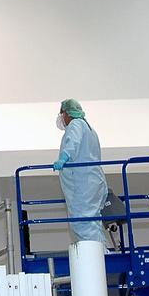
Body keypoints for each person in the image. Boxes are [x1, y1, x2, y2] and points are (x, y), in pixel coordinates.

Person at [53, 99, 108, 243]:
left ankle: (99, 257)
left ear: (66, 113)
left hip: (83, 184)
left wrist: (63, 158)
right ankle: (104, 255)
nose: (61, 118)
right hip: (92, 181)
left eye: (62, 113)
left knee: (82, 223)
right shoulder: (89, 129)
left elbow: (73, 142)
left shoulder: (76, 124)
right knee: (92, 223)